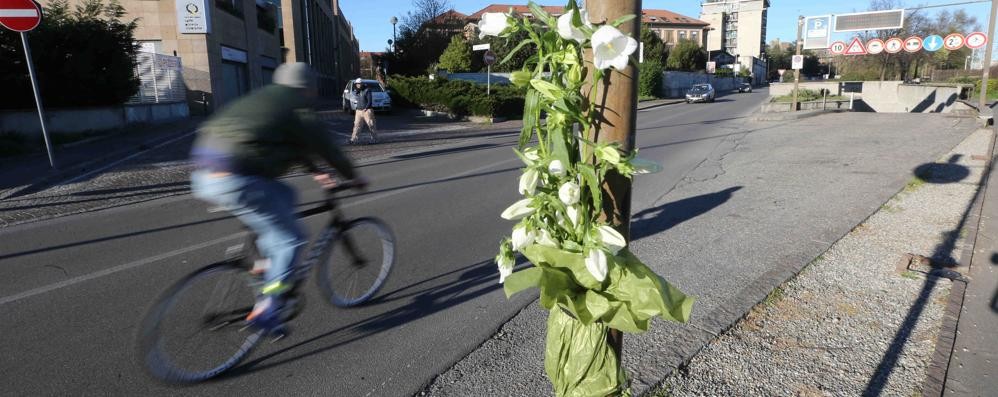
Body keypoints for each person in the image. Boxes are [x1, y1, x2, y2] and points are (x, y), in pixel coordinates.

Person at [189, 62, 364, 332]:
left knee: (285, 194)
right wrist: (352, 176)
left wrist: (316, 172)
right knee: (292, 239)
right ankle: (269, 308)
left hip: (204, 172)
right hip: (237, 177)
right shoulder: (297, 107)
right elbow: (325, 146)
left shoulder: (265, 98)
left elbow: (288, 142)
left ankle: (264, 264)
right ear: (306, 87)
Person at [350, 78, 379, 144]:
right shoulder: (357, 91)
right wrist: (357, 108)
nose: (358, 85)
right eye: (356, 84)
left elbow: (369, 101)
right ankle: (354, 139)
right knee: (357, 125)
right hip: (358, 111)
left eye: (359, 84)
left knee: (371, 125)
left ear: (362, 84)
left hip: (367, 110)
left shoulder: (367, 90)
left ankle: (374, 139)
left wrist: (366, 108)